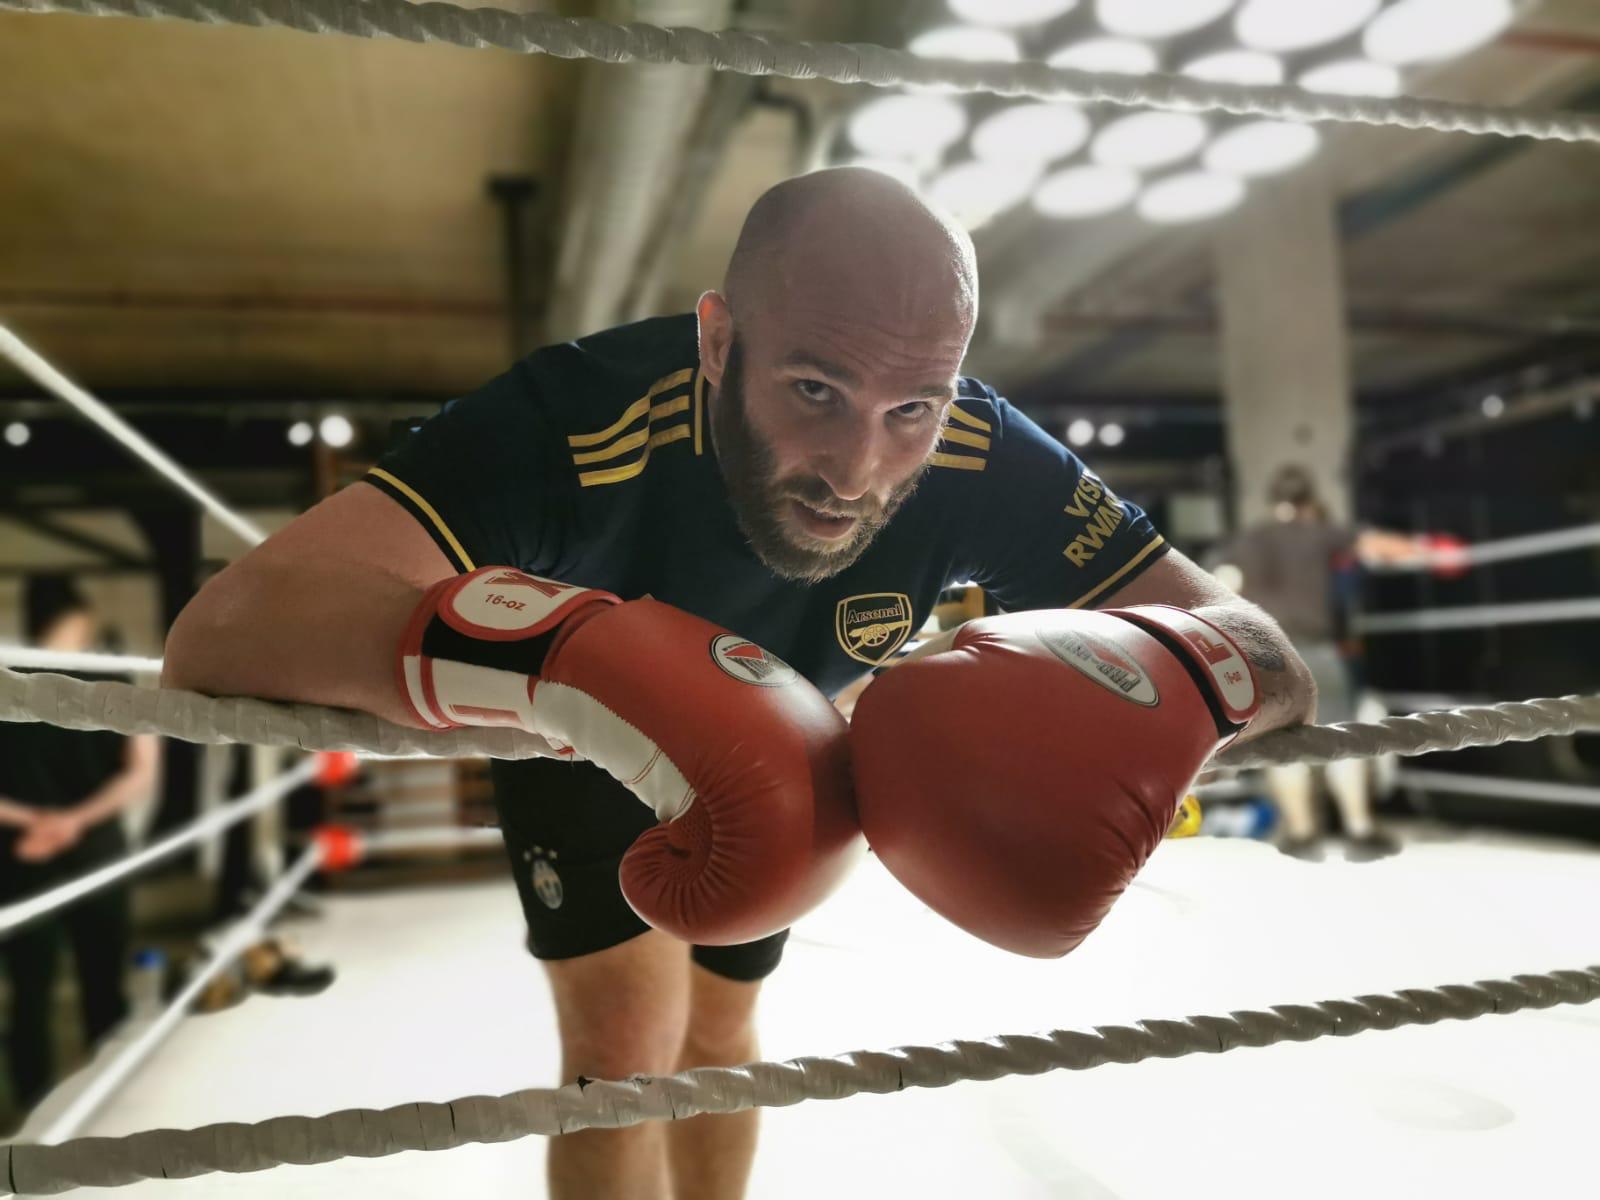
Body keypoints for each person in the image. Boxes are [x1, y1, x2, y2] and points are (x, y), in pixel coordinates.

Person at [163, 168, 1315, 1199]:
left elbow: (1257, 651)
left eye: (910, 410)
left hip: (798, 747)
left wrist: (1179, 682)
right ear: (718, 342)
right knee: (621, 1061)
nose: (858, 469)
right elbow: (230, 624)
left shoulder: (978, 448)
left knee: (721, 1039)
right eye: (814, 390)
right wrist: (575, 654)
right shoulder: (578, 418)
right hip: (575, 734)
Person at [1212, 465, 1444, 861]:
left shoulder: (1247, 540)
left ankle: (1301, 835)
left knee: (1279, 744)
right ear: (1309, 501)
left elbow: (1220, 585)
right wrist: (1429, 549)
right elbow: (1377, 546)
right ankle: (1359, 830)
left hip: (1265, 652)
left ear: (1272, 500)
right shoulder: (1320, 532)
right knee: (1340, 736)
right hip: (1317, 650)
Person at [0, 576, 159, 1118]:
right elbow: (140, 773)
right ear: (82, 617)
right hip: (94, 848)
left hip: (24, 850)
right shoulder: (116, 682)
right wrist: (74, 822)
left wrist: (37, 821)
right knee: (102, 981)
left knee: (30, 990)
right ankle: (108, 1107)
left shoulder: (6, 682)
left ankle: (32, 1118)